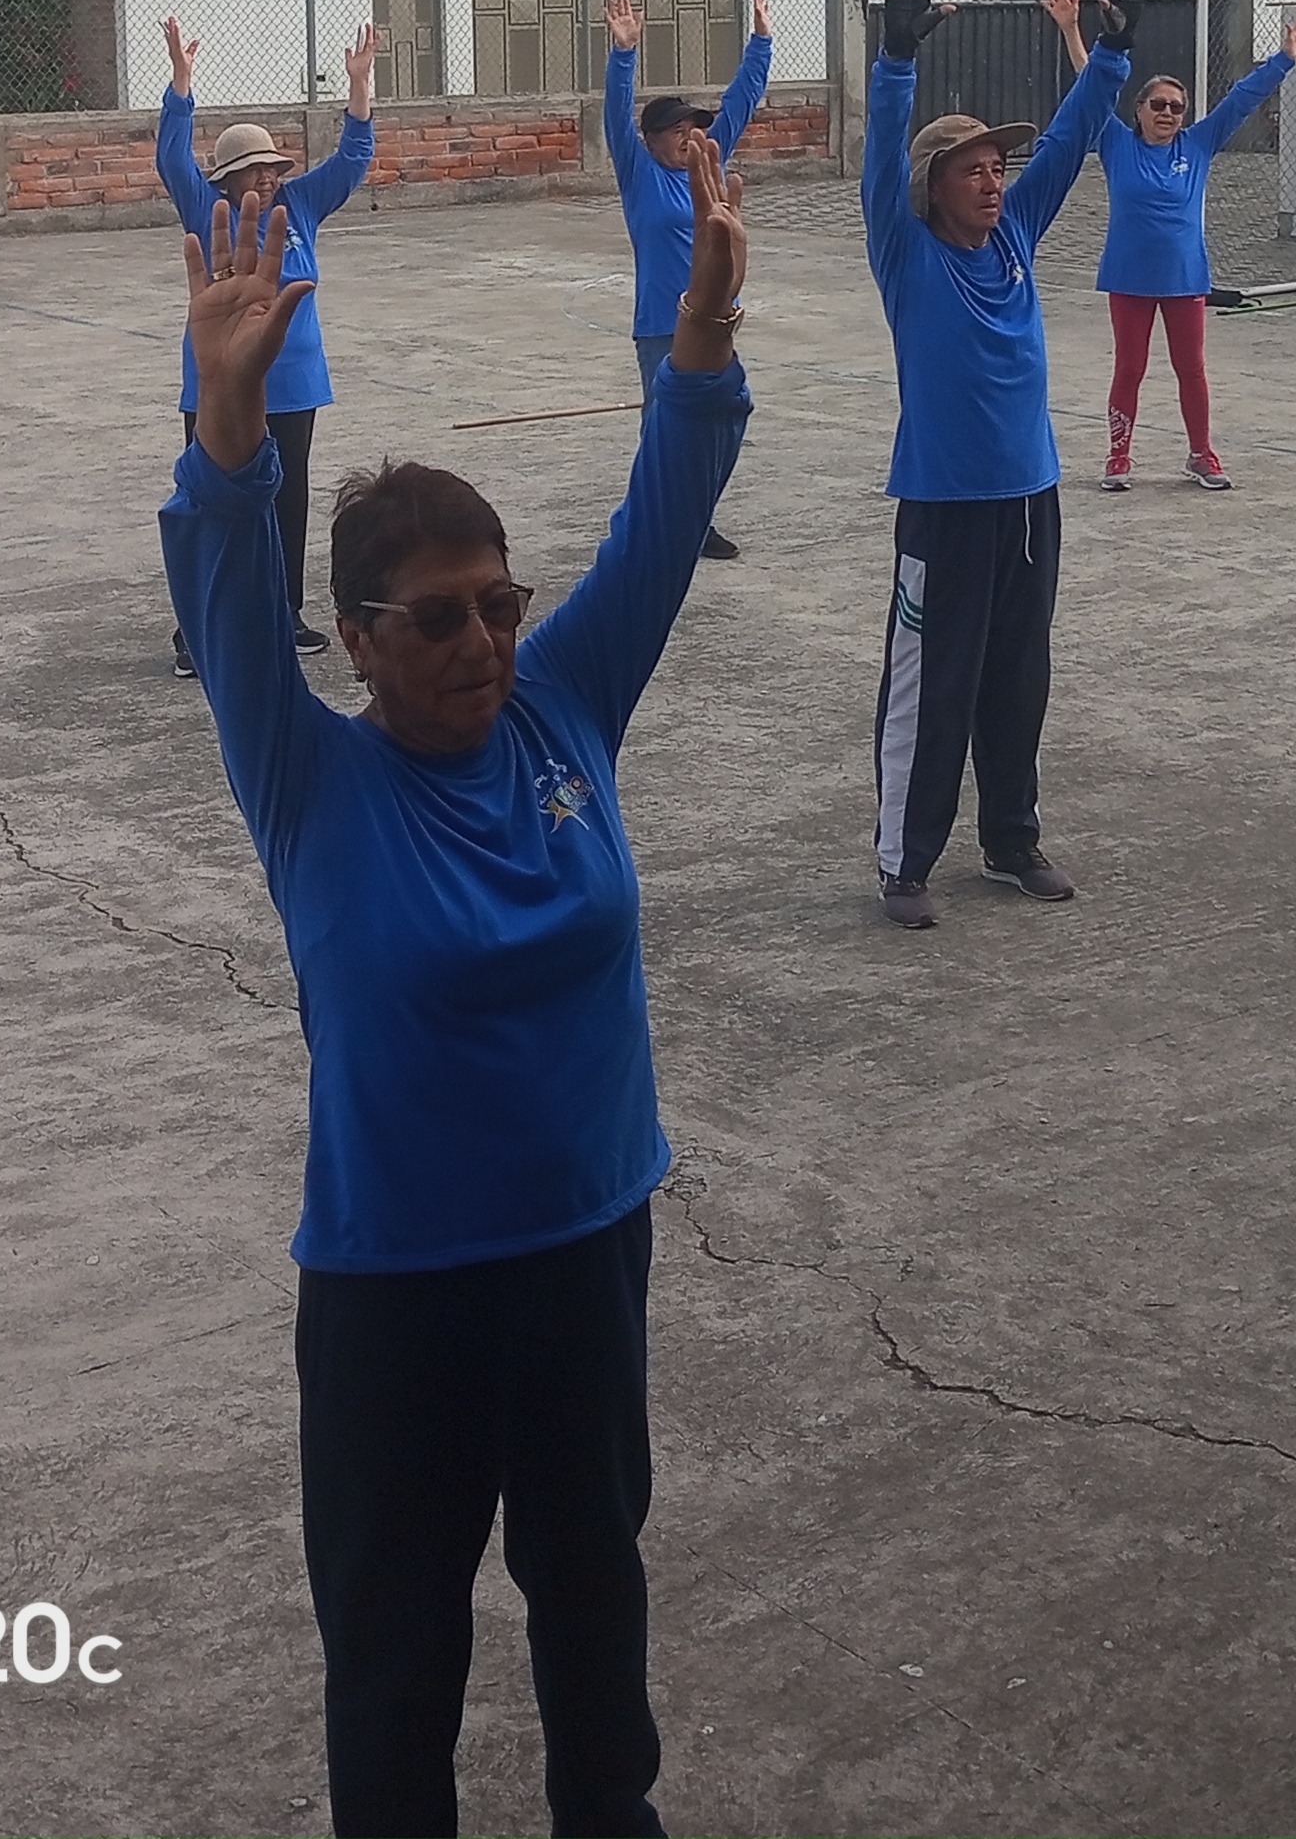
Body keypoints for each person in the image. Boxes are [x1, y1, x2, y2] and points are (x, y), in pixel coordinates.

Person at [160, 137, 751, 1839]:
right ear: (356, 638)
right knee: (396, 1649)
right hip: (399, 1287)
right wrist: (225, 419)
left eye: (500, 604)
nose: (482, 642)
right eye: (436, 621)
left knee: (593, 1590)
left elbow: (663, 509)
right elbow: (222, 581)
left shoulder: (564, 709)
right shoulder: (309, 780)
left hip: (587, 1246)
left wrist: (703, 334)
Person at [863, 0, 1128, 925]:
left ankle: (1011, 840)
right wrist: (896, 60)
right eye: (970, 170)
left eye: (994, 168)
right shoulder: (905, 252)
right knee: (931, 687)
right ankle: (904, 862)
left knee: (1018, 679)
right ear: (930, 187)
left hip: (1029, 499)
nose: (990, 181)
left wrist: (1113, 51)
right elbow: (879, 156)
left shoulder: (1013, 235)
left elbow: (1067, 140)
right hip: (944, 506)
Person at [160, 14, 380, 672]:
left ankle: (284, 614)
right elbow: (171, 158)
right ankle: (197, 632)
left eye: (272, 168)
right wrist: (181, 84)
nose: (267, 179)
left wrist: (359, 86)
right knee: (216, 501)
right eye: (254, 170)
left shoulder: (300, 205)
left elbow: (352, 161)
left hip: (294, 381)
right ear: (227, 179)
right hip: (221, 383)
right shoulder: (207, 209)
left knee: (287, 499)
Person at [1053, 0, 1296, 489]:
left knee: (1191, 369)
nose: (1168, 112)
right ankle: (1118, 457)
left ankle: (1201, 454)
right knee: (1130, 368)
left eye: (1176, 106)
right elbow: (1091, 88)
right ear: (1139, 109)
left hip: (1186, 277)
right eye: (1158, 104)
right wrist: (1072, 30)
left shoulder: (1198, 143)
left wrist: (1284, 58)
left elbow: (1241, 99)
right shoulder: (1116, 142)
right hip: (1128, 277)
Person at [605, 0, 771, 562]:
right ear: (650, 140)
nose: (687, 137)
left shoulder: (708, 162)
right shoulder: (639, 173)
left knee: (715, 420)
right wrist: (624, 52)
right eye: (675, 130)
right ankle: (656, 524)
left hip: (713, 319)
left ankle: (696, 520)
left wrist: (761, 43)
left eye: (692, 128)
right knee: (663, 430)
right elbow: (615, 115)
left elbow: (741, 101)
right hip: (661, 324)